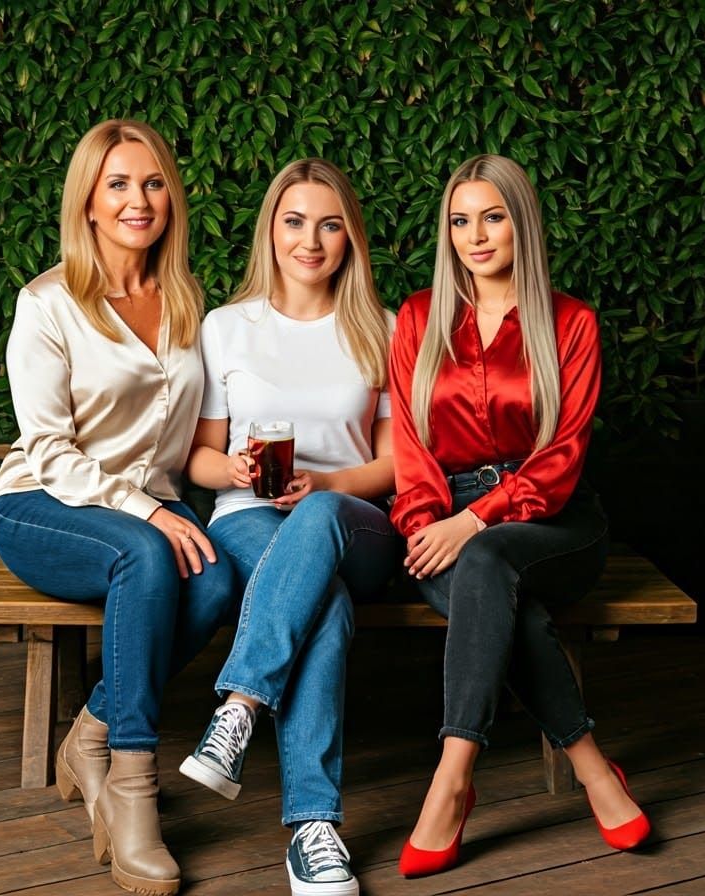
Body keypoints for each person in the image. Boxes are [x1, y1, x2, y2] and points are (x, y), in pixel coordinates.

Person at [0, 119, 236, 896]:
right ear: (88, 202)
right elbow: (51, 451)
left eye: (154, 182)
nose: (139, 199)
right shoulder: (47, 304)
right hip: (43, 503)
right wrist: (150, 513)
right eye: (119, 184)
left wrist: (229, 471)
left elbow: (191, 439)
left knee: (223, 579)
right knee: (149, 553)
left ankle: (88, 732)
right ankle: (132, 789)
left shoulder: (187, 301)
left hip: (148, 509)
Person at [388, 154, 651, 878]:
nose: (476, 235)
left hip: (555, 521)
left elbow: (563, 457)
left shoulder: (572, 322)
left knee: (489, 559)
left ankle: (450, 780)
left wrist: (475, 522)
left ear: (521, 223)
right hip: (442, 518)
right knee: (502, 599)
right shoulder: (418, 317)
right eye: (460, 220)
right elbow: (409, 448)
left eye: (493, 216)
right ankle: (596, 770)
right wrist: (423, 523)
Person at [179, 159, 401, 896]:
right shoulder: (226, 328)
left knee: (325, 516)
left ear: (350, 238)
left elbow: (395, 465)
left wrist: (328, 484)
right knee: (324, 606)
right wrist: (234, 472)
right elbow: (201, 457)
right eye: (295, 222)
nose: (311, 240)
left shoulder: (384, 328)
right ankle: (315, 829)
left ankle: (238, 704)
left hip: (354, 520)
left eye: (330, 224)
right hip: (249, 519)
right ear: (270, 231)